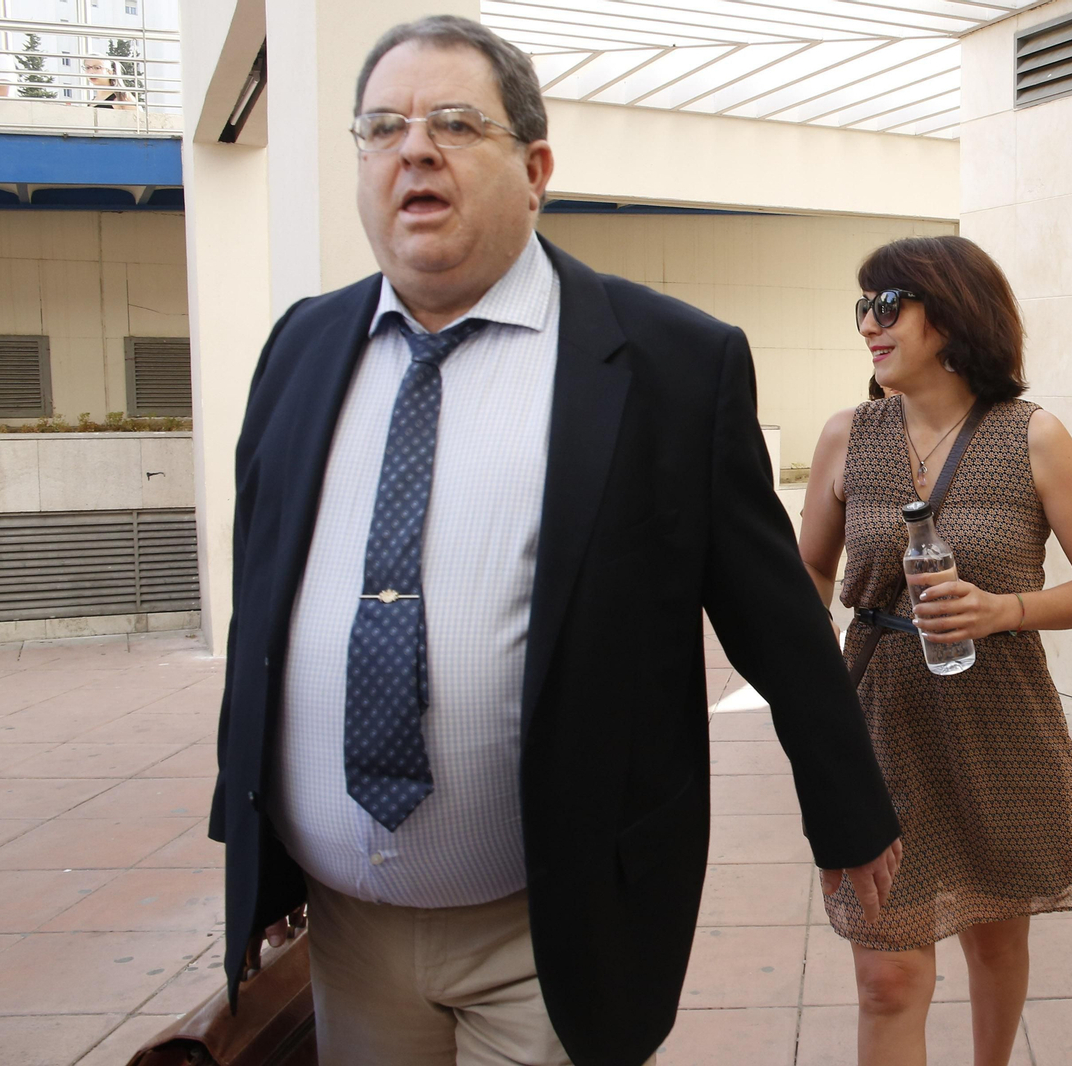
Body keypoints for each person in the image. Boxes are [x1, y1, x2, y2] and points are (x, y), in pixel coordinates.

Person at [209, 16, 901, 1066]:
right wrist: (252, 842)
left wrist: (848, 813)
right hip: (343, 931)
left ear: (534, 168)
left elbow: (770, 609)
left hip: (554, 929)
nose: (413, 150)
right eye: (381, 127)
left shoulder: (670, 362)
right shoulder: (300, 348)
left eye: (452, 123)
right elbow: (263, 604)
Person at [799, 236, 1072, 1066]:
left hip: (997, 722)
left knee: (993, 938)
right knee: (888, 979)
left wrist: (1003, 609)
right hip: (875, 724)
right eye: (862, 307)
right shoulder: (848, 435)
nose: (869, 325)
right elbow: (810, 569)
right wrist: (801, 683)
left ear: (948, 316)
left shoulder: (1032, 437)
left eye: (887, 305)